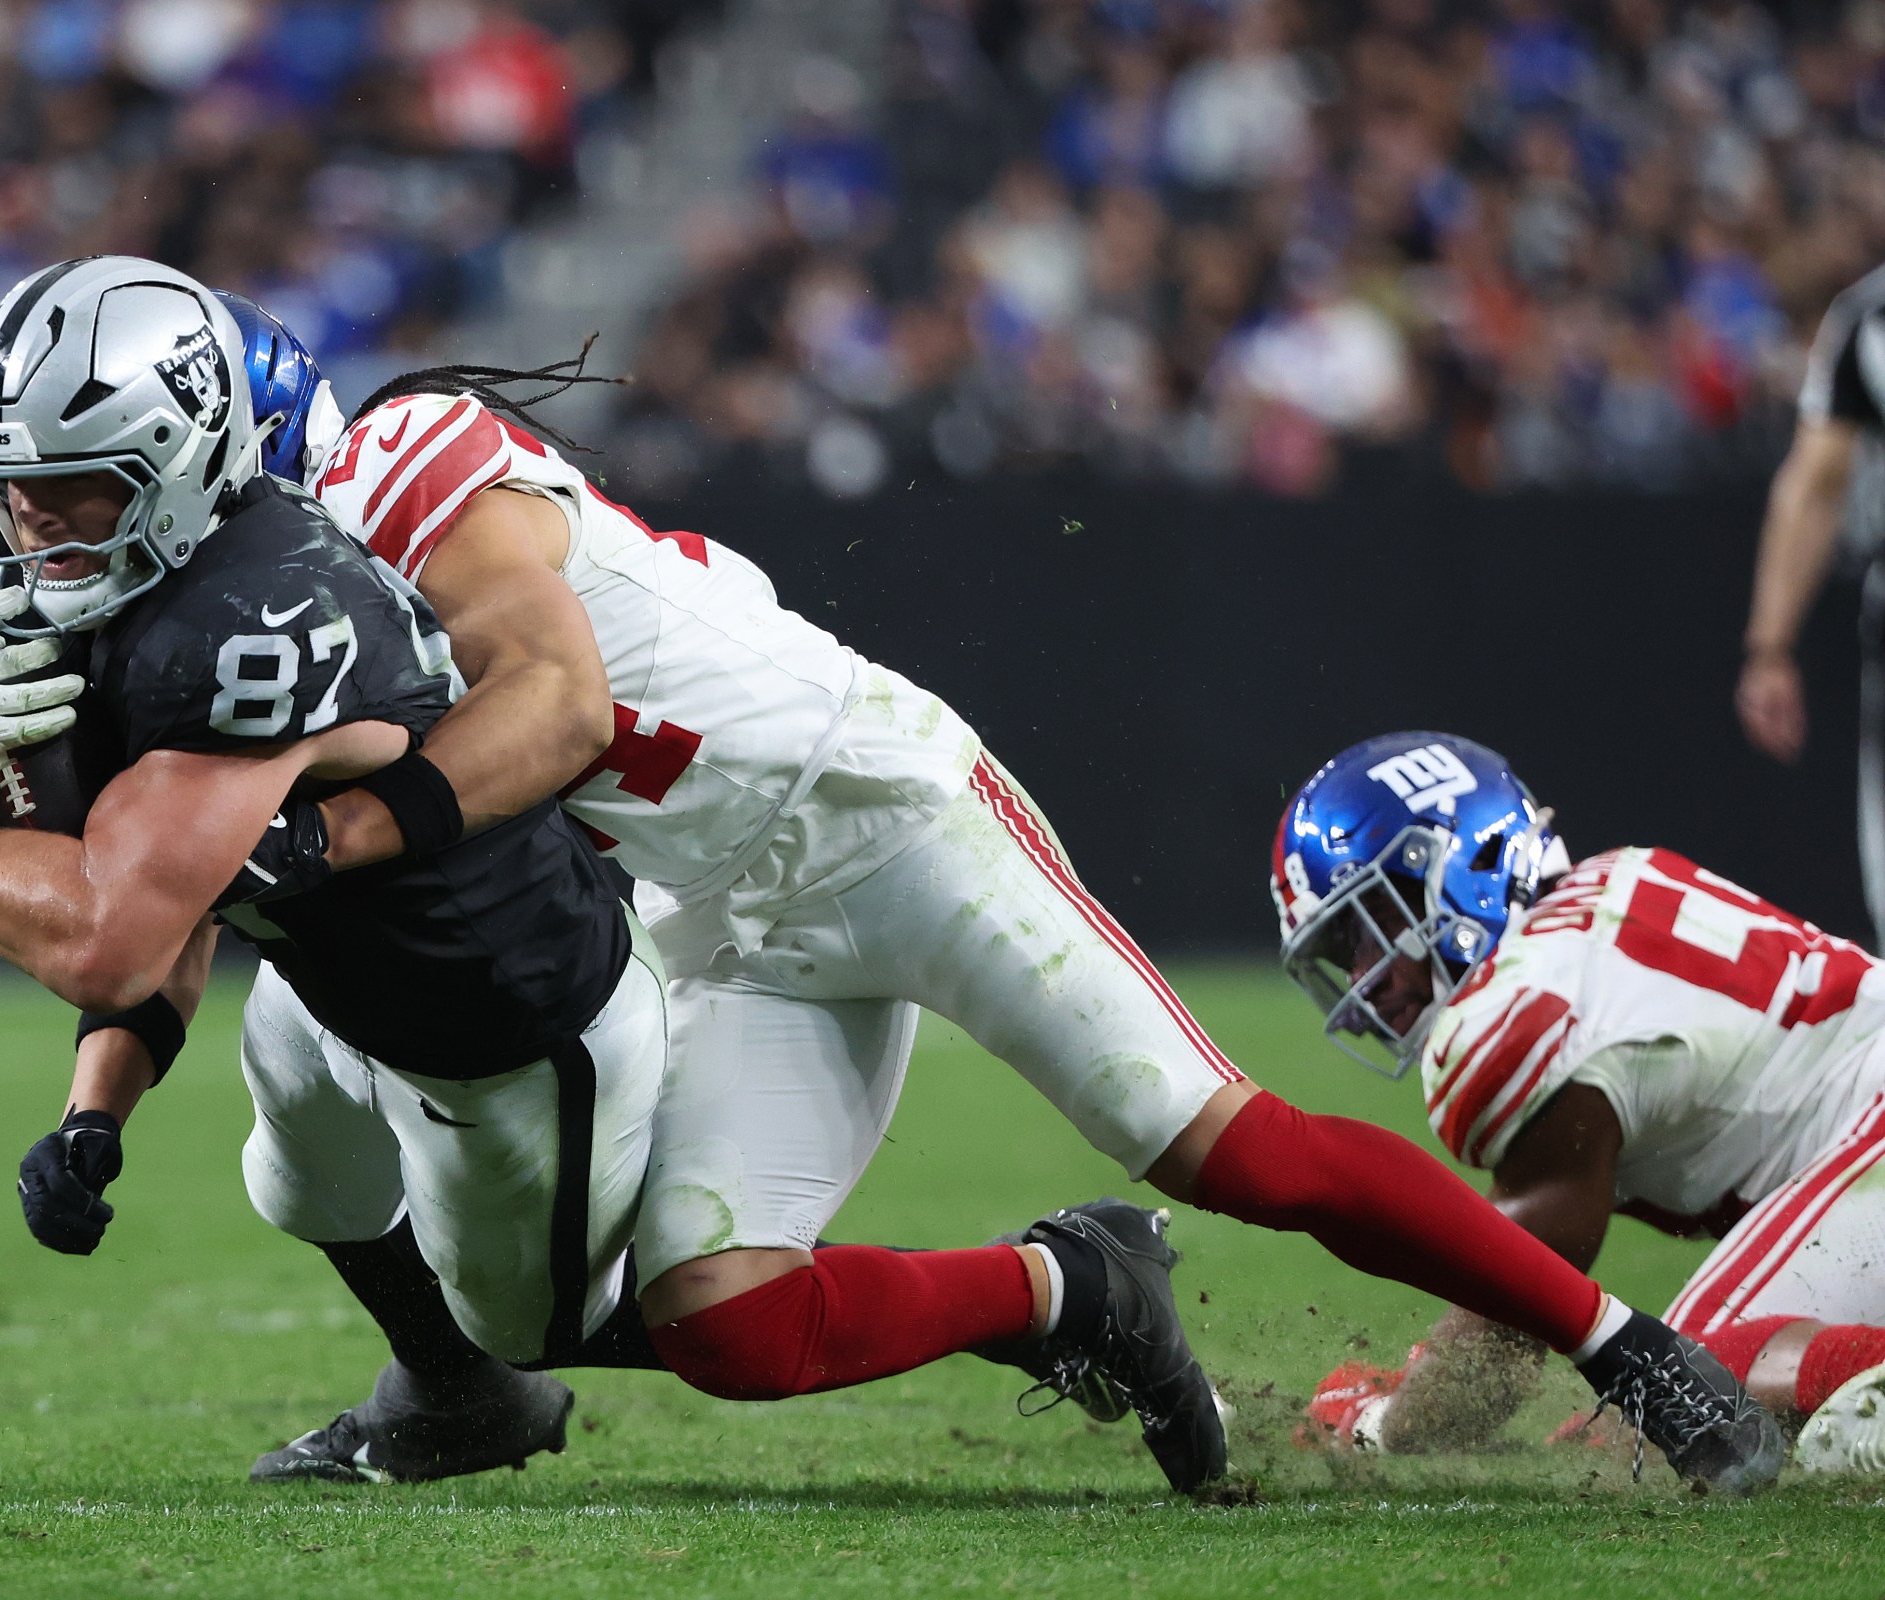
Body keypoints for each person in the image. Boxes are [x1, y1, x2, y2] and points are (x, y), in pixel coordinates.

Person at [192, 296, 1781, 1492]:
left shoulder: (397, 467)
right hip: (725, 918)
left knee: (1225, 1145)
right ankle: (1075, 1287)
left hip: (884, 811)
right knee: (720, 1323)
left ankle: (1630, 1350)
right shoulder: (291, 619)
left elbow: (565, 703)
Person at [0, 256, 1223, 1493]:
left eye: (71, 488)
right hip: (332, 961)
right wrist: (85, 1097)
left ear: (181, 465)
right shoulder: (15, 552)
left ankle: (1065, 1287)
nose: (28, 528)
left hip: (506, 1009)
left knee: (637, 1322)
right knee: (296, 1165)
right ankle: (453, 1395)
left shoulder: (256, 620)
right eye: (6, 489)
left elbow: (113, 926)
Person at [1275, 732, 1885, 1475]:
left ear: (1463, 867)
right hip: (1861, 1130)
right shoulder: (1606, 887)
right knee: (1621, 1426)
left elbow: (1516, 1312)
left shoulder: (1514, 1010)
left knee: (1687, 1396)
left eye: (1371, 924)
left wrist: (1381, 1420)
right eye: (1345, 952)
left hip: (1872, 1128)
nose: (1364, 979)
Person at [1736, 265, 1885, 937]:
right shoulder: (1868, 318)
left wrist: (1771, 649)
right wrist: (1770, 647)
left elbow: (1816, 483)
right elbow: (1817, 484)